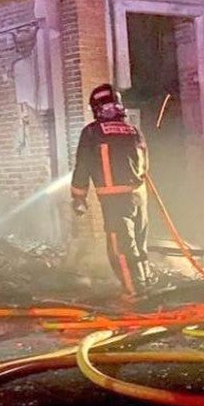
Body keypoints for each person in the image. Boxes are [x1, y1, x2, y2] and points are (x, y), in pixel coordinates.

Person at [70, 83, 155, 299]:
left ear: (97, 108)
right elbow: (145, 166)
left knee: (121, 248)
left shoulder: (92, 132)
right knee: (138, 241)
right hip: (139, 196)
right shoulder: (134, 131)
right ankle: (145, 281)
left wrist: (78, 197)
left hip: (115, 199)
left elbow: (83, 166)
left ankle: (134, 292)